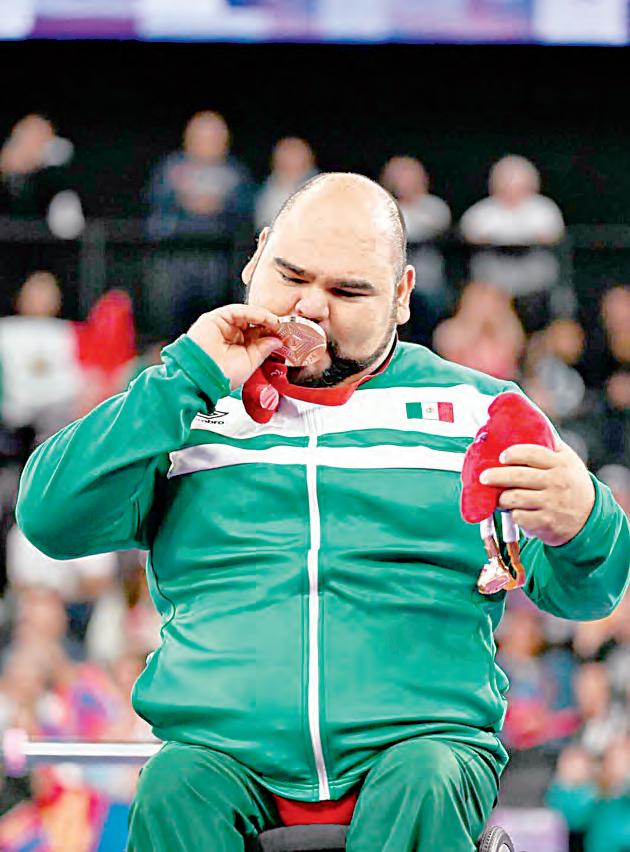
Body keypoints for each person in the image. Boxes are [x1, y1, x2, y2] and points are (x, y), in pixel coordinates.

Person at [16, 173, 629, 852]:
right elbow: (49, 519)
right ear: (255, 258)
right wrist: (184, 377)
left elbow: (586, 592)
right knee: (175, 784)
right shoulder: (179, 404)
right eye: (290, 275)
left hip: (417, 749)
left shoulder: (480, 413)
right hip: (222, 755)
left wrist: (586, 521)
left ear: (401, 296)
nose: (310, 307)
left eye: (349, 291)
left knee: (424, 778)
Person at [145, 111, 254, 337]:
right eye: (201, 136)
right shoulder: (171, 168)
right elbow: (155, 203)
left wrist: (218, 205)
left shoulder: (235, 172)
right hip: (176, 257)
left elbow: (246, 210)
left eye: (213, 137)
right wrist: (185, 201)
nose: (207, 142)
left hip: (219, 260)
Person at [460, 155, 567, 333]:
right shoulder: (483, 211)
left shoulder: (544, 209)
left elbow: (553, 236)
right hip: (494, 280)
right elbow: (470, 234)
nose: (512, 189)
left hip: (535, 280)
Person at [381, 155, 451, 344]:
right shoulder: (382, 207)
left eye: (410, 177)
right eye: (400, 177)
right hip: (390, 282)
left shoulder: (434, 208)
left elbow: (431, 228)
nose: (405, 183)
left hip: (428, 283)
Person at [255, 136, 318, 229]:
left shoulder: (321, 189)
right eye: (286, 155)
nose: (290, 160)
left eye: (295, 155)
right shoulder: (263, 189)